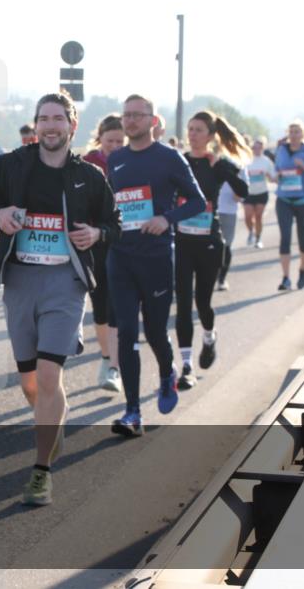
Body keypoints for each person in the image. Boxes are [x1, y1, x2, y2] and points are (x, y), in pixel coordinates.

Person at [0, 91, 121, 505]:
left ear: (72, 126)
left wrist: (96, 235)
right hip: (20, 279)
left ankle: (41, 472)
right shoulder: (9, 166)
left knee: (47, 375)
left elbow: (114, 225)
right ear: (35, 125)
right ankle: (52, 420)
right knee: (30, 383)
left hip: (65, 283)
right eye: (44, 119)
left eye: (59, 119)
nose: (51, 126)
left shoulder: (89, 178)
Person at [106, 94, 205, 438]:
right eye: (127, 115)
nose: (131, 121)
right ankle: (132, 411)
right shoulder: (114, 159)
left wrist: (166, 218)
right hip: (121, 257)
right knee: (127, 335)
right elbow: (111, 207)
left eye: (138, 115)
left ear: (152, 120)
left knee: (155, 333)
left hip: (157, 258)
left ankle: (167, 372)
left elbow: (197, 201)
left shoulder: (169, 158)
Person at [174, 111, 249, 389]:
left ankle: (209, 337)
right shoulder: (178, 161)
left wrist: (223, 166)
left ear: (210, 135)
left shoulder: (218, 164)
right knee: (182, 303)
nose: (192, 134)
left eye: (198, 130)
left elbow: (244, 191)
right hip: (182, 241)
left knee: (202, 302)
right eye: (190, 129)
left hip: (208, 242)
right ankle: (186, 366)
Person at [82, 114, 124, 392]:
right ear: (100, 139)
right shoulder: (88, 163)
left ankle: (114, 368)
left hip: (123, 241)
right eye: (110, 141)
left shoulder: (132, 160)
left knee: (117, 304)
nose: (115, 146)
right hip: (95, 242)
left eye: (120, 141)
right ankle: (106, 357)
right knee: (99, 306)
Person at [274, 120, 304, 291]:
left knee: (302, 237)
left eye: (297, 132)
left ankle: (302, 269)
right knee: (285, 237)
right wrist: (278, 174)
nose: (293, 135)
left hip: (303, 201)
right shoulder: (281, 150)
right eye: (291, 132)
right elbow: (276, 169)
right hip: (284, 199)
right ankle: (286, 277)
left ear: (303, 134)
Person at [243, 137, 276, 248]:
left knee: (258, 216)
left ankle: (258, 238)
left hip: (261, 192)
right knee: (248, 216)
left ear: (262, 148)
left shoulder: (266, 161)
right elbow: (240, 176)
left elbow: (273, 177)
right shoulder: (246, 160)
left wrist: (272, 177)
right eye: (254, 147)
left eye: (259, 147)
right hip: (248, 193)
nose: (256, 149)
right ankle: (251, 232)